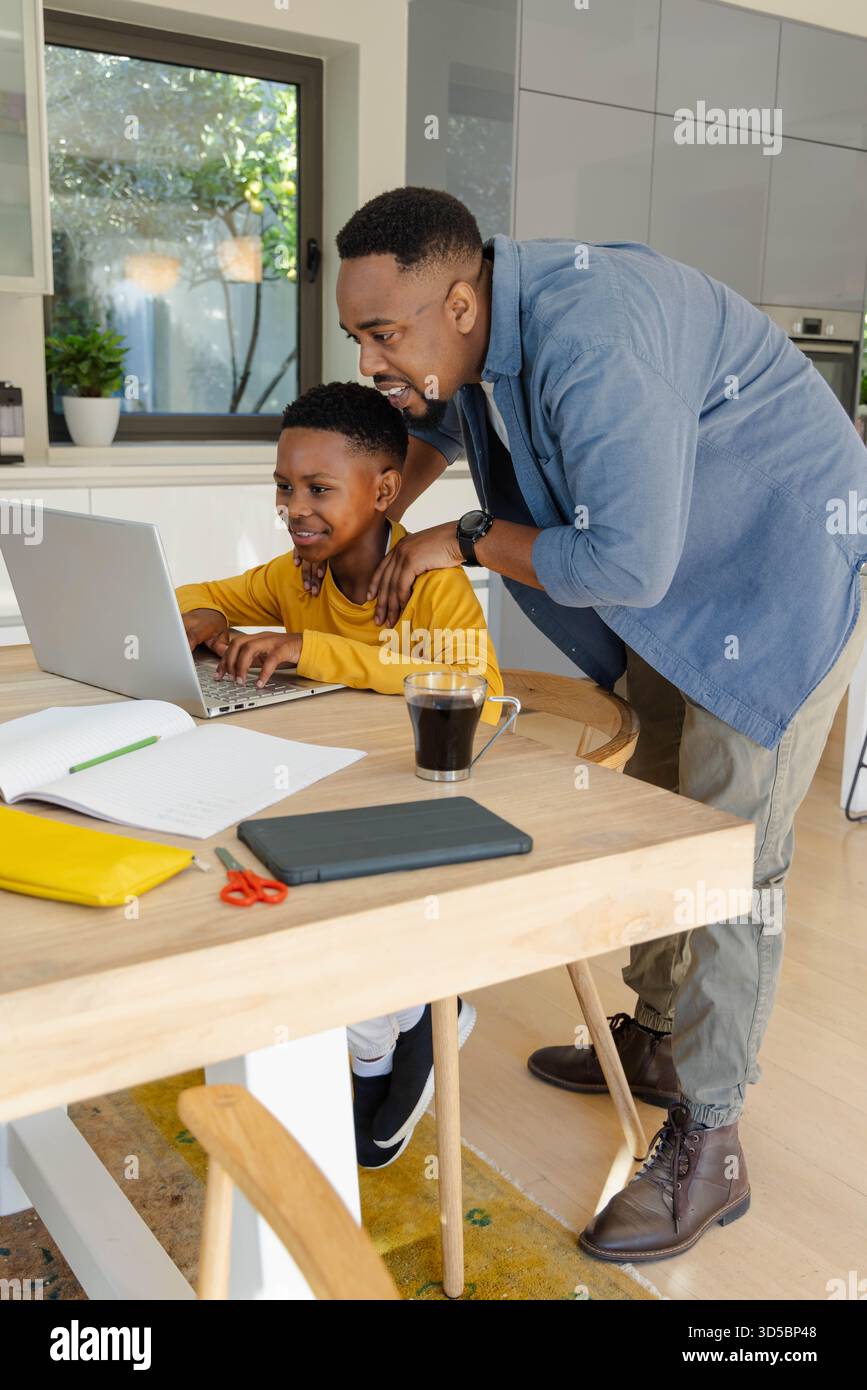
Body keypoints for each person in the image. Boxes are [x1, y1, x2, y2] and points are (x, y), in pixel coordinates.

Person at [321, 185, 867, 1260]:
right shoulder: (481, 330)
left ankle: (711, 1144)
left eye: (386, 333)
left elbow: (620, 559)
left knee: (724, 856)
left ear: (462, 304)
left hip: (773, 572)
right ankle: (661, 1037)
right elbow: (432, 421)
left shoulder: (592, 339)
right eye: (358, 336)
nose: (376, 358)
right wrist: (376, 510)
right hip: (684, 581)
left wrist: (466, 540)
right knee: (661, 810)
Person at [175, 380, 502, 1167]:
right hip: (338, 787)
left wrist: (309, 648)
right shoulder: (296, 574)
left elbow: (474, 686)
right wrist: (212, 618)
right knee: (275, 884)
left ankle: (424, 1008)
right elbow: (192, 593)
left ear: (384, 489)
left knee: (342, 908)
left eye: (320, 489)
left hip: (430, 799)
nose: (295, 508)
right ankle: (381, 1046)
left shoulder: (429, 579)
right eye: (285, 487)